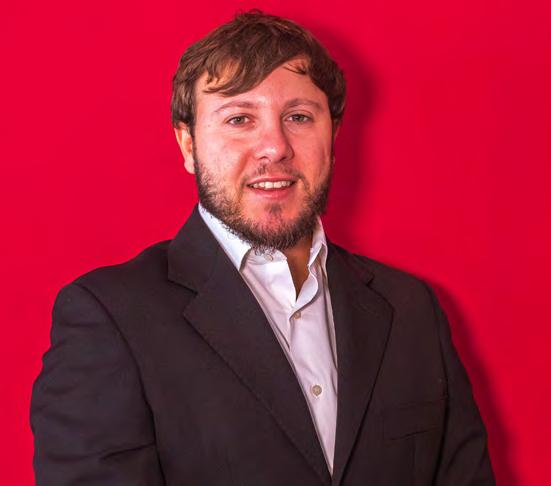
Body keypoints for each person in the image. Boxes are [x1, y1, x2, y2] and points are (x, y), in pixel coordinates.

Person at [30, 10, 495, 486]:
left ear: (333, 135)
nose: (275, 146)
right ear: (188, 145)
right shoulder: (110, 318)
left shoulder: (411, 309)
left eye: (298, 117)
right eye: (239, 119)